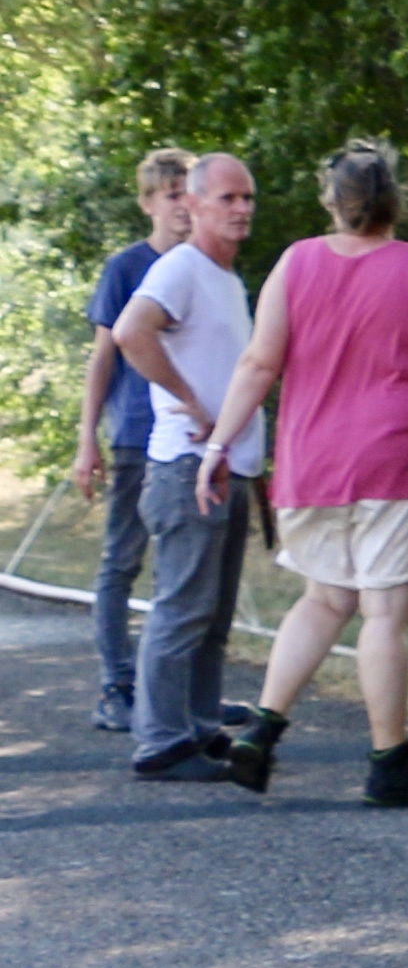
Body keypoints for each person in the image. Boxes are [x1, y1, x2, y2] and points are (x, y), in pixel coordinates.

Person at [208, 141, 408, 805]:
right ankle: (392, 762)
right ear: (396, 200)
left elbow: (257, 364)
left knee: (325, 598)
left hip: (312, 464)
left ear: (330, 201)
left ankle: (260, 733)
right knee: (384, 612)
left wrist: (217, 445)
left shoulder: (295, 263)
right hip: (399, 464)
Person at [108, 154, 266, 780]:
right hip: (185, 466)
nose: (241, 208)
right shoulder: (180, 269)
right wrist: (190, 403)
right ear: (193, 204)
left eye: (247, 197)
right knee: (181, 609)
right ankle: (159, 739)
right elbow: (129, 332)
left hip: (231, 467)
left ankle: (199, 727)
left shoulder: (226, 278)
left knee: (214, 615)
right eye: (227, 198)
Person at [70, 148, 196, 734]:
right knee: (122, 561)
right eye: (171, 195)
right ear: (148, 203)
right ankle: (115, 683)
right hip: (136, 435)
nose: (182, 206)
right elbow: (103, 359)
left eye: (188, 193)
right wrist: (86, 441)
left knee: (183, 569)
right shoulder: (127, 267)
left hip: (192, 436)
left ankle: (176, 688)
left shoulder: (208, 267)